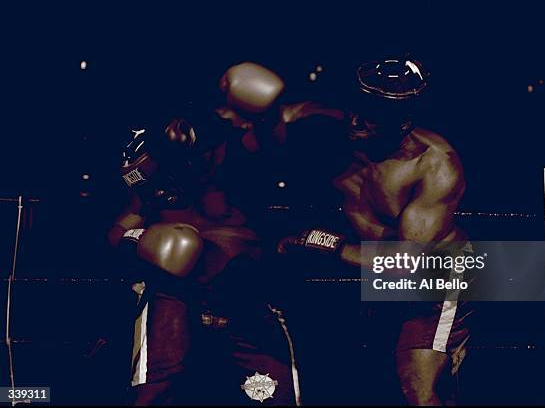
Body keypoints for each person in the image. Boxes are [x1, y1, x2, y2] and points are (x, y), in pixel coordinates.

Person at [277, 55, 473, 405]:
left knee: (417, 389)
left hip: (432, 279)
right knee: (357, 381)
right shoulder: (322, 124)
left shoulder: (434, 165)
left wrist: (323, 242)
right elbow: (265, 118)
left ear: (403, 122)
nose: (356, 121)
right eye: (357, 107)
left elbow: (406, 262)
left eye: (374, 115)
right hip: (366, 276)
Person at [108, 108, 301, 405]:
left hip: (246, 294)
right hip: (175, 296)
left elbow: (272, 137)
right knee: (153, 395)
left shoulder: (233, 159)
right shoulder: (153, 186)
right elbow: (118, 231)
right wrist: (142, 241)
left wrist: (269, 112)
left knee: (273, 395)